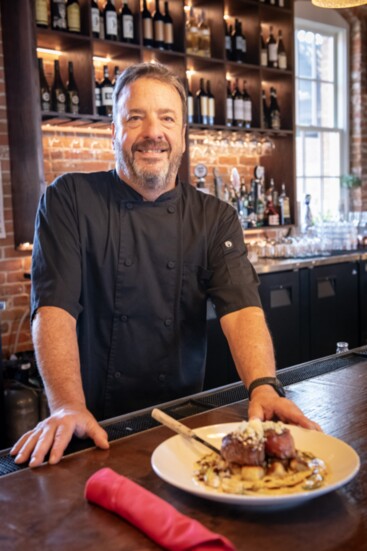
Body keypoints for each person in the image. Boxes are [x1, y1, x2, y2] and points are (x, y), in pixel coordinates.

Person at [11, 62, 320, 468]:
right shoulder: (68, 199)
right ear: (114, 131)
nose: (152, 133)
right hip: (89, 426)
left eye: (167, 119)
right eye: (135, 118)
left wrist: (263, 386)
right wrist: (66, 405)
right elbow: (54, 307)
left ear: (183, 136)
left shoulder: (214, 216)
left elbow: (241, 306)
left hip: (183, 425)